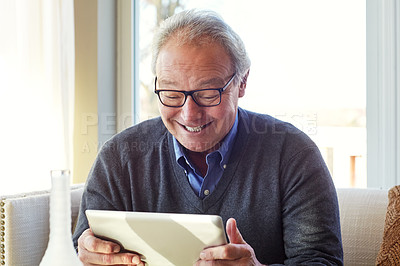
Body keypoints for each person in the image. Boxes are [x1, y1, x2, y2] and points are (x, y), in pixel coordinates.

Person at [72, 9, 343, 266]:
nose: (189, 115)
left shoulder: (293, 155)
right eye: (172, 94)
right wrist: (85, 255)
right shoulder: (119, 159)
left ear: (242, 82)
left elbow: (322, 260)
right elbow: (78, 252)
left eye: (207, 93)